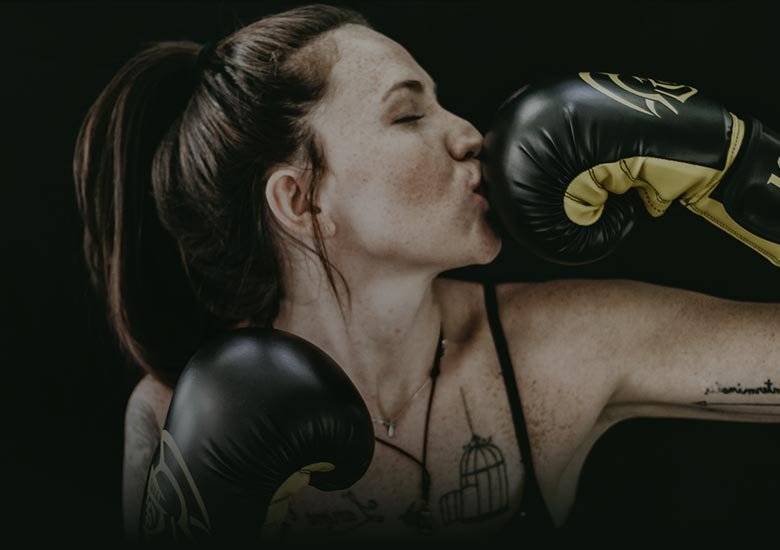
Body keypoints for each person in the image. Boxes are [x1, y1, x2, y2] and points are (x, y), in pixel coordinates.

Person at [72, 2, 780, 546]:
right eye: (409, 112)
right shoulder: (174, 416)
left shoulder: (557, 350)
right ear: (302, 198)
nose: (469, 133)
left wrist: (741, 169)